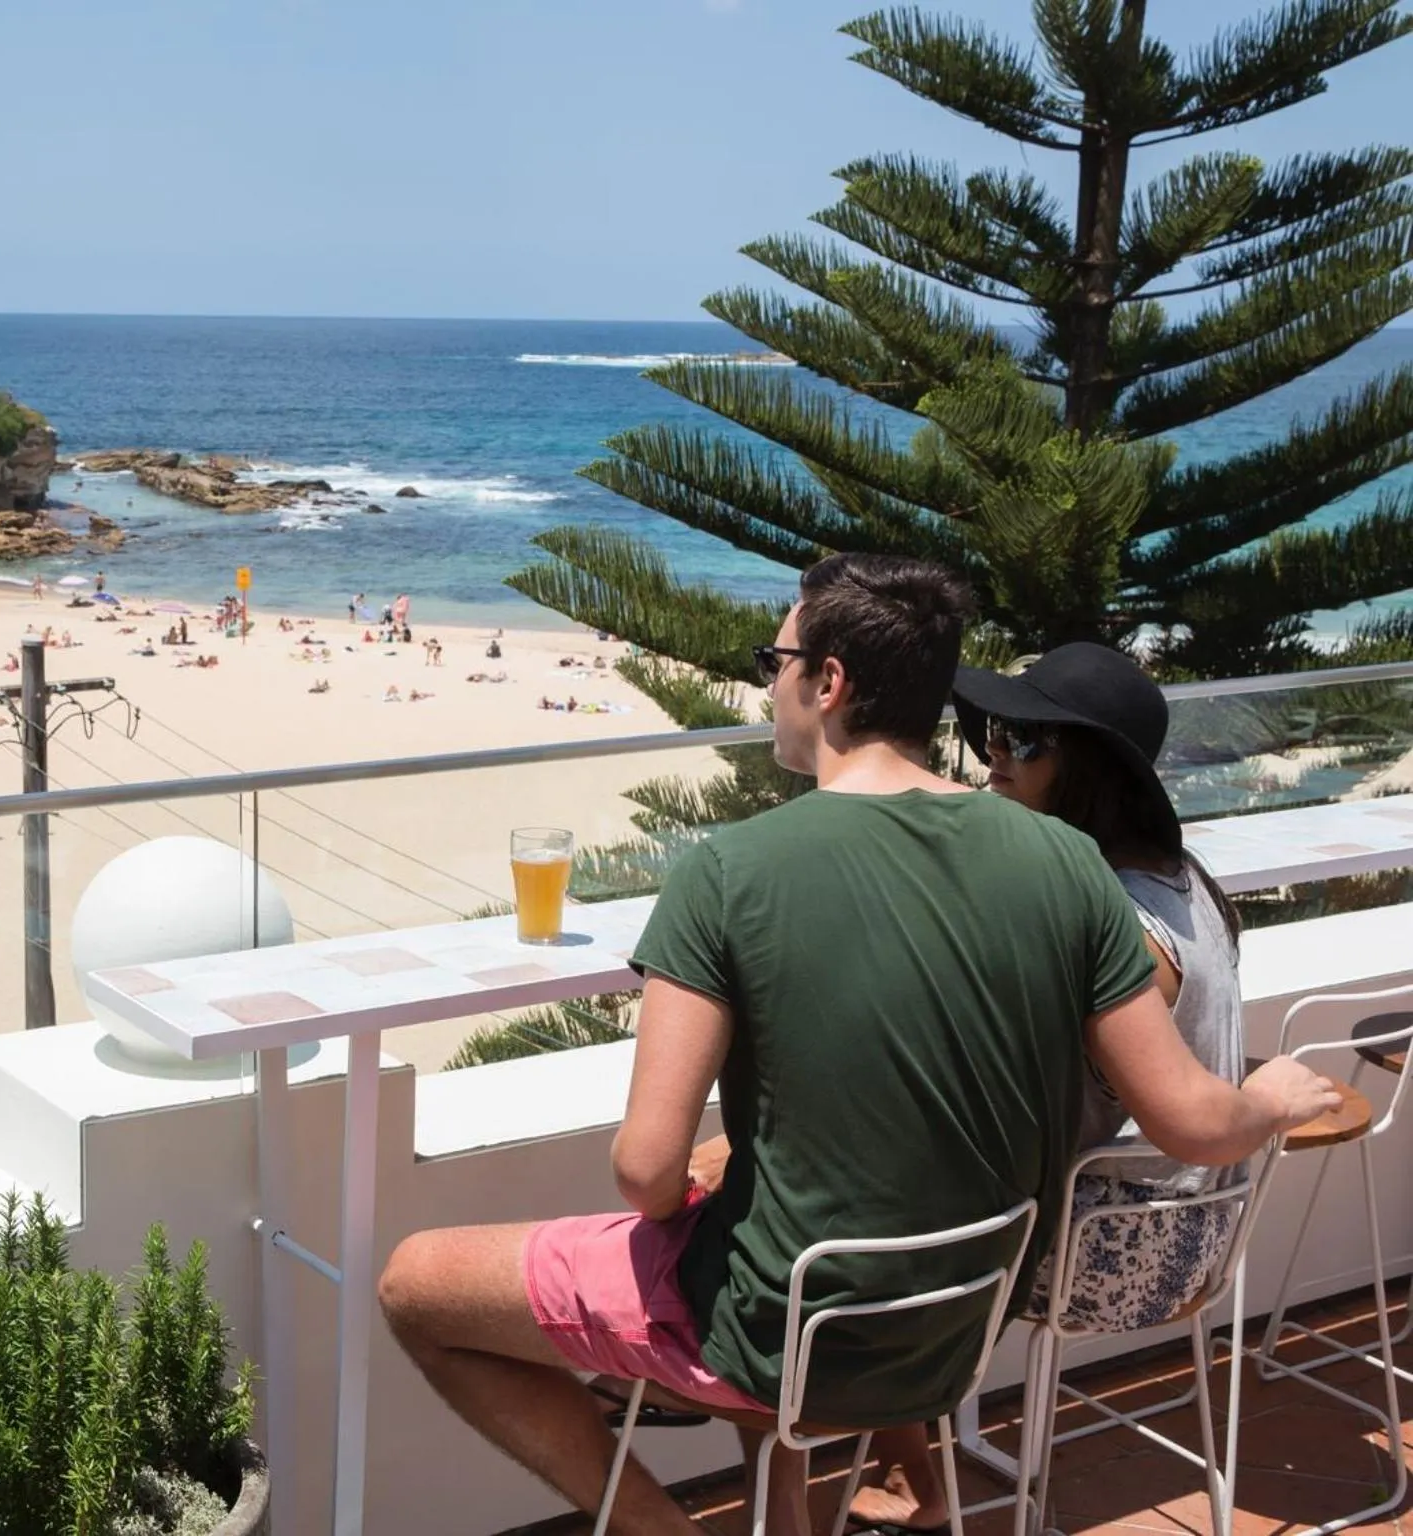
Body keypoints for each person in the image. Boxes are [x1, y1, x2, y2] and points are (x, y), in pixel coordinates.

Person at [375, 554, 1340, 1536]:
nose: (765, 683)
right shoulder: (1065, 863)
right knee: (759, 1223)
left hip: (781, 1344)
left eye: (773, 658)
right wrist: (1274, 1097)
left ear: (826, 682)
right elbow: (1191, 1122)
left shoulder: (728, 872)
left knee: (414, 1283)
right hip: (956, 1333)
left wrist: (679, 1203)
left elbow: (642, 1171)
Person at [847, 643, 1251, 1534]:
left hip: (1107, 1254)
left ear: (1092, 773)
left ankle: (915, 1484)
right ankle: (913, 1465)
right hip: (1199, 1232)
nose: (995, 751)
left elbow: (999, 1093)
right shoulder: (1187, 883)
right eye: (996, 729)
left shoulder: (1110, 923)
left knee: (850, 1232)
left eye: (1026, 740)